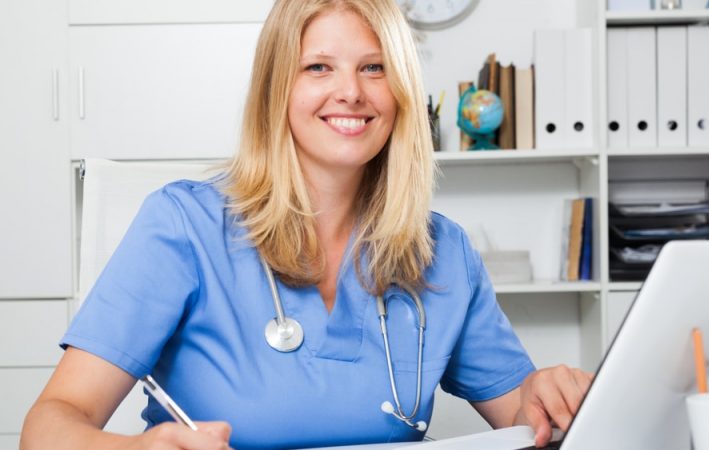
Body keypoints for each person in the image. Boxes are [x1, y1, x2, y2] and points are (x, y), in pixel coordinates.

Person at [21, 0, 592, 448]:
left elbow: (521, 417)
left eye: (375, 68)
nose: (351, 91)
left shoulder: (441, 248)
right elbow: (49, 427)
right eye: (319, 67)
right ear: (277, 89)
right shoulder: (184, 226)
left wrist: (543, 396)